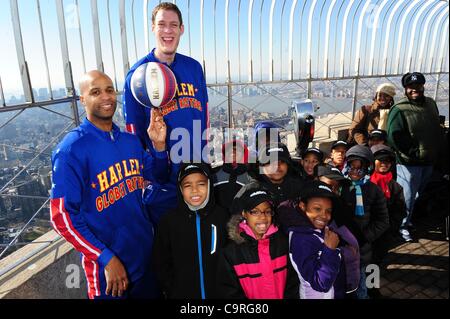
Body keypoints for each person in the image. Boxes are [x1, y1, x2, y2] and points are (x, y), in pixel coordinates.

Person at [50, 70, 169, 299]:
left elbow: (159, 176)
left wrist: (159, 145)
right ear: (82, 99)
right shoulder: (71, 150)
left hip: (145, 260)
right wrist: (105, 257)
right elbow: (62, 217)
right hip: (109, 271)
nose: (106, 97)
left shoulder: (131, 142)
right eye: (95, 92)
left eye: (109, 90)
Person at [123, 2, 209, 182]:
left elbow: (205, 117)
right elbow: (133, 132)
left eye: (173, 25)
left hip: (197, 169)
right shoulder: (138, 76)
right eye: (162, 24)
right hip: (163, 175)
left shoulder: (194, 68)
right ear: (153, 28)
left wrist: (205, 157)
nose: (168, 31)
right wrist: (144, 173)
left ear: (181, 29)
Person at [152, 162, 229, 299]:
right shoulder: (168, 222)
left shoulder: (222, 216)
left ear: (209, 185)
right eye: (187, 185)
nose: (195, 190)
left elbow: (231, 257)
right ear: (180, 189)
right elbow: (161, 262)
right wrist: (172, 290)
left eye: (201, 184)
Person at [387, 72, 446, 242]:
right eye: (411, 87)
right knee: (407, 196)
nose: (415, 90)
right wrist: (413, 153)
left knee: (417, 194)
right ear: (406, 89)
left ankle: (407, 220)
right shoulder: (399, 109)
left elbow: (437, 127)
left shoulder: (430, 104)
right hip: (408, 163)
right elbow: (394, 136)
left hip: (429, 160)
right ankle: (401, 227)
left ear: (423, 87)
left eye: (418, 86)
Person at [216, 184, 299, 299]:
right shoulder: (231, 253)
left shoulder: (283, 243)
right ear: (244, 214)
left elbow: (293, 283)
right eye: (255, 212)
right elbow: (229, 292)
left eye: (267, 211)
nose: (263, 217)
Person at [287, 181, 360, 299]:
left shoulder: (315, 229)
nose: (325, 216)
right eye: (317, 209)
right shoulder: (301, 239)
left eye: (328, 211)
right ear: (302, 206)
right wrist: (330, 250)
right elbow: (320, 283)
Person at [340, 145, 389, 299]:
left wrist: (364, 237)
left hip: (363, 249)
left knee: (362, 286)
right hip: (340, 247)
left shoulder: (373, 190)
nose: (354, 172)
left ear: (367, 169)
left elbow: (382, 220)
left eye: (359, 169)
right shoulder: (340, 186)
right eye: (351, 167)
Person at [231, 143, 304, 215]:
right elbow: (235, 222)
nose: (276, 166)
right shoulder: (249, 191)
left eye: (281, 162)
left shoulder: (299, 186)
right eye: (270, 162)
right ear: (261, 166)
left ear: (288, 165)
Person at [370, 144, 407, 258]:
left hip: (385, 231)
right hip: (367, 229)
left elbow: (400, 210)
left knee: (378, 256)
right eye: (380, 160)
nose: (384, 164)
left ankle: (374, 273)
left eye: (387, 161)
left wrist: (390, 228)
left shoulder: (395, 187)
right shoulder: (365, 181)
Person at [213, 139, 250, 214]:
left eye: (237, 150)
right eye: (229, 150)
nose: (233, 152)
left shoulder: (251, 175)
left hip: (242, 219)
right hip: (218, 217)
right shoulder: (214, 173)